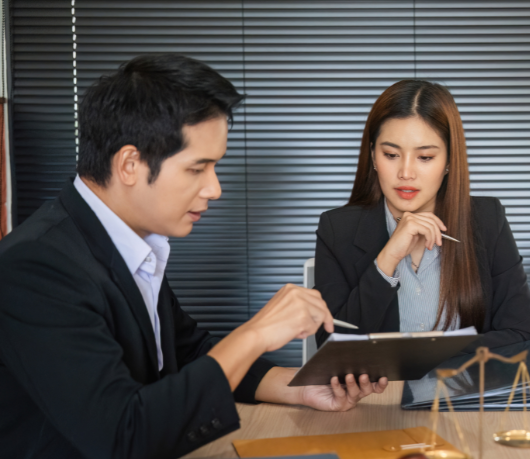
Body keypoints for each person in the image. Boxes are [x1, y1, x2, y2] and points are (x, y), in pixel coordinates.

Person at [0, 54, 386, 459]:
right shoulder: (35, 268)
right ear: (130, 164)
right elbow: (122, 436)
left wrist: (300, 387)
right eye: (197, 169)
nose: (215, 189)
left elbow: (187, 355)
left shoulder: (128, 240)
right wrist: (255, 334)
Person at [313, 80, 530, 350]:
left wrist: (424, 357)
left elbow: (522, 337)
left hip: (461, 391)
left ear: (448, 162)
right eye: (391, 154)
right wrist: (387, 260)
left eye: (425, 157)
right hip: (380, 395)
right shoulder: (337, 229)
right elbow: (331, 346)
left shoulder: (488, 220)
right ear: (373, 156)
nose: (406, 173)